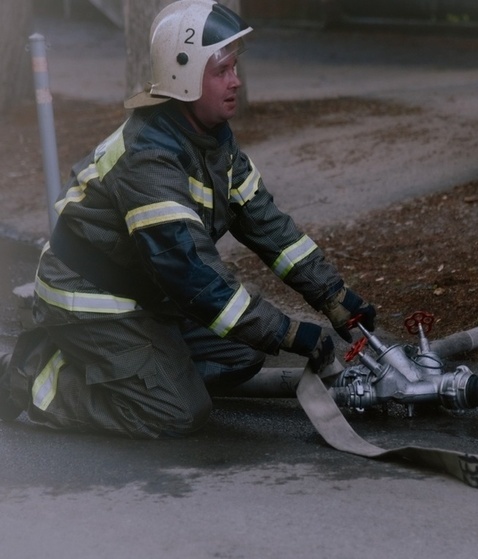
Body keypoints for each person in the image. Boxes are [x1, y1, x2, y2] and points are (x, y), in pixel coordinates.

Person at [0, 0, 375, 438]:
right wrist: (288, 332)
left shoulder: (213, 141)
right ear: (182, 75)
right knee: (178, 412)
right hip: (91, 297)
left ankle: (140, 369)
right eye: (221, 71)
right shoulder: (149, 157)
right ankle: (28, 376)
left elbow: (271, 227)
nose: (236, 81)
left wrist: (335, 298)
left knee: (244, 351)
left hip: (147, 291)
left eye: (235, 67)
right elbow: (191, 271)